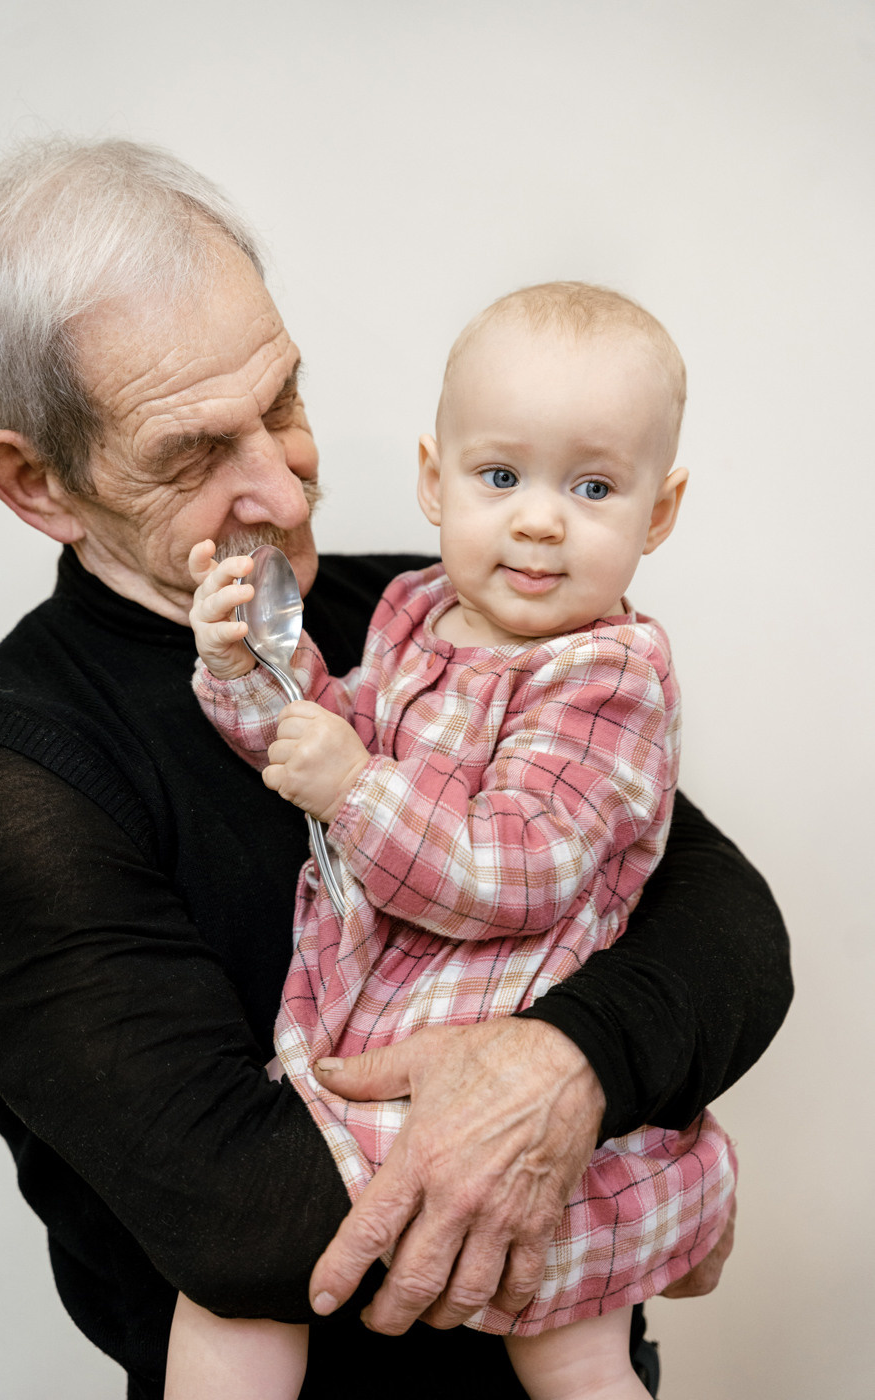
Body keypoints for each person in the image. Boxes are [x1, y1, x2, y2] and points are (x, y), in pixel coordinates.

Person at [0, 138, 791, 1400]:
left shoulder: (418, 608)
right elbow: (251, 1218)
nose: (284, 487)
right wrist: (631, 1127)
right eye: (192, 453)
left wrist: (566, 1063)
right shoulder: (4, 777)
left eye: (282, 399)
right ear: (37, 482)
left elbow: (723, 920)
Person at [177, 283, 735, 1399]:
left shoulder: (610, 676)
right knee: (258, 1280)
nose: (538, 518)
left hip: (492, 1054)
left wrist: (354, 789)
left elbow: (516, 871)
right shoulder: (414, 611)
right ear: (434, 481)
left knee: (243, 1291)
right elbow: (324, 734)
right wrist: (243, 668)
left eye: (591, 486)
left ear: (657, 513)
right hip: (375, 1029)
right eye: (499, 476)